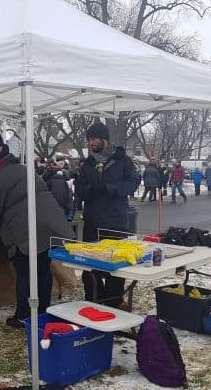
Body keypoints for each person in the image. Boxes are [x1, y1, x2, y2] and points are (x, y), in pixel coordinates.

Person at [0, 149, 74, 328]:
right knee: (43, 270)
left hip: (25, 230)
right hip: (48, 225)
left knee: (26, 275)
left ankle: (24, 316)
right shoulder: (24, 169)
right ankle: (42, 311)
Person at [75, 122, 138, 309]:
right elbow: (79, 189)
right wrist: (90, 191)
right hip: (93, 221)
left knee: (115, 264)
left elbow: (133, 183)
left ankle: (114, 300)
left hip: (116, 221)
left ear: (104, 139)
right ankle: (93, 298)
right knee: (90, 263)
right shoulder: (87, 164)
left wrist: (111, 189)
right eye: (88, 139)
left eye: (93, 139)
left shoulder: (123, 160)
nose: (90, 143)